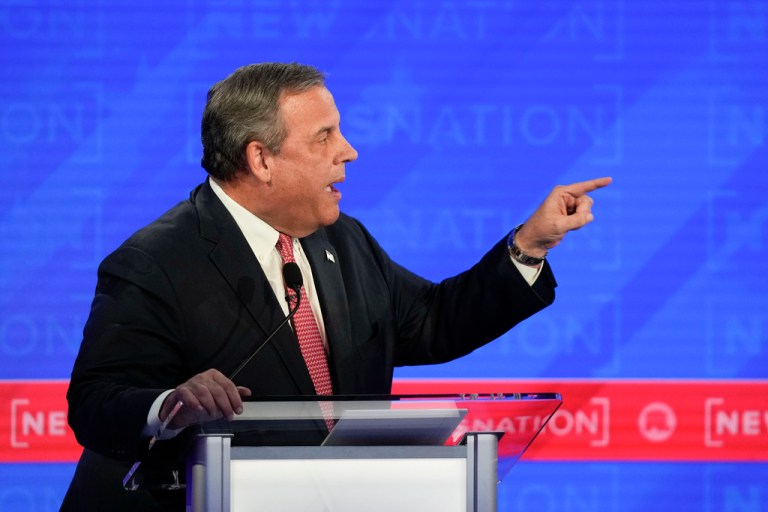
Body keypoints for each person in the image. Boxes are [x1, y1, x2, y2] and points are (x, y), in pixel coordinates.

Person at [62, 62, 611, 511]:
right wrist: (169, 405)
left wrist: (528, 247)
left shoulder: (342, 241)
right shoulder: (154, 261)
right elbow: (94, 403)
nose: (347, 151)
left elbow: (434, 321)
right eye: (325, 136)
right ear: (261, 159)